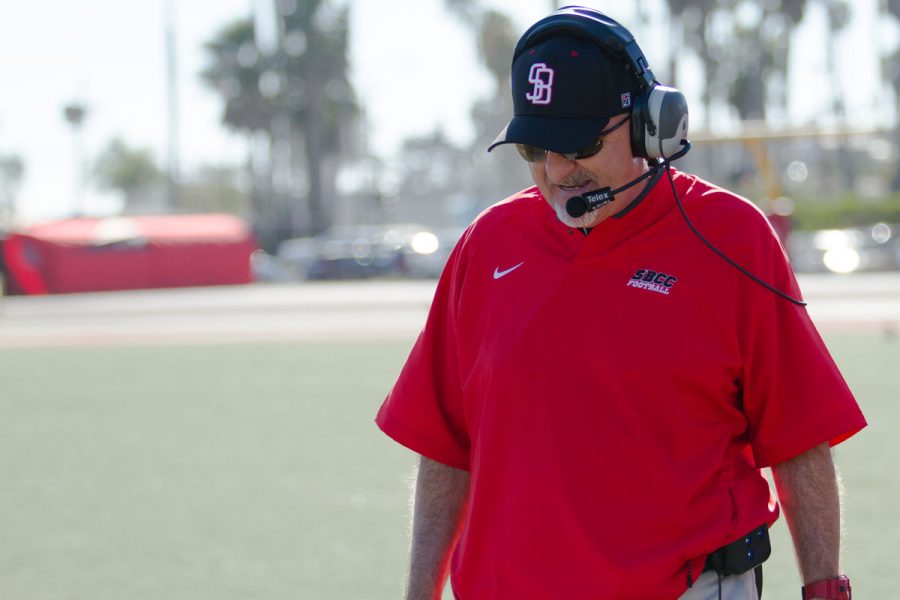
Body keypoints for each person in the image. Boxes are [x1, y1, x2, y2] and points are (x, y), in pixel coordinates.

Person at [375, 6, 866, 600]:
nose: (557, 170)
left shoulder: (732, 237)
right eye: (534, 147)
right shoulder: (487, 244)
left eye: (579, 142)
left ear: (648, 124)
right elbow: (446, 449)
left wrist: (825, 588)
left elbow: (799, 438)